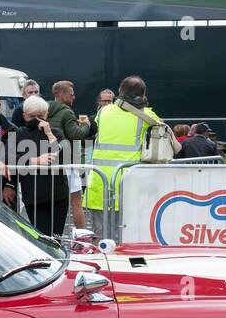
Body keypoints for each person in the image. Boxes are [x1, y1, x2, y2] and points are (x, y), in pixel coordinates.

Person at [85, 75, 161, 234]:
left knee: (100, 237)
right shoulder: (147, 115)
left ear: (120, 91)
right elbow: (164, 134)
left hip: (100, 184)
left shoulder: (104, 111)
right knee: (127, 237)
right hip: (128, 186)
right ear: (143, 94)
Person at [14, 95, 69, 236]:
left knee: (57, 239)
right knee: (43, 238)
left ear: (47, 115)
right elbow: (10, 158)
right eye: (33, 116)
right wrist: (35, 160)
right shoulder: (19, 133)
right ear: (25, 116)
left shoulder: (56, 133)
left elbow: (63, 155)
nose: (38, 120)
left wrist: (50, 134)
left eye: (41, 115)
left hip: (58, 194)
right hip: (34, 194)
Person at [47, 81, 97, 230]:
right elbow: (76, 135)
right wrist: (86, 124)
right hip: (67, 161)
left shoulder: (46, 110)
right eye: (71, 93)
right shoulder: (67, 112)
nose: (74, 96)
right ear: (61, 95)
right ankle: (81, 236)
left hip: (50, 161)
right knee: (76, 202)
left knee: (52, 202)